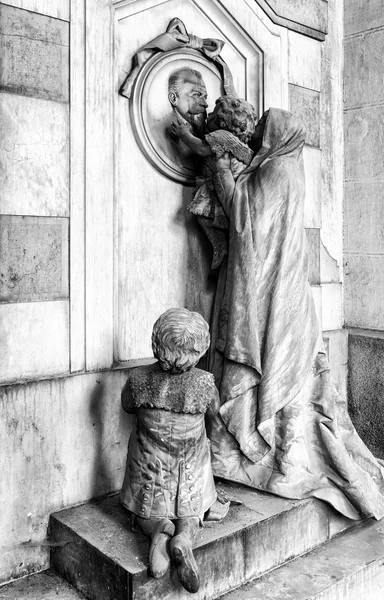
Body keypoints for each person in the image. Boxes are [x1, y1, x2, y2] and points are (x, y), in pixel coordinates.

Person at [203, 107, 384, 521]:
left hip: (270, 300)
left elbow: (245, 227)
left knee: (275, 382)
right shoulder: (291, 170)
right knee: (289, 385)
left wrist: (223, 173)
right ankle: (285, 460)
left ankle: (273, 460)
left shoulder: (274, 173)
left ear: (275, 137)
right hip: (290, 299)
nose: (255, 141)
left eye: (261, 132)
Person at [120, 308, 228, 594]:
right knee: (193, 514)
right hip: (189, 472)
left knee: (145, 514)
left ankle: (158, 530)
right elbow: (214, 412)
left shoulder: (138, 379)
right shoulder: (204, 383)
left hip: (148, 471)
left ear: (158, 344)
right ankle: (183, 538)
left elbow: (127, 405)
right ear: (198, 349)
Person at [171, 95, 256, 269]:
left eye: (212, 116)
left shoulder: (222, 137)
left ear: (223, 122)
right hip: (228, 190)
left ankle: (220, 247)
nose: (207, 115)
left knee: (206, 219)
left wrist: (185, 134)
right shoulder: (240, 145)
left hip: (217, 190)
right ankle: (221, 246)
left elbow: (201, 148)